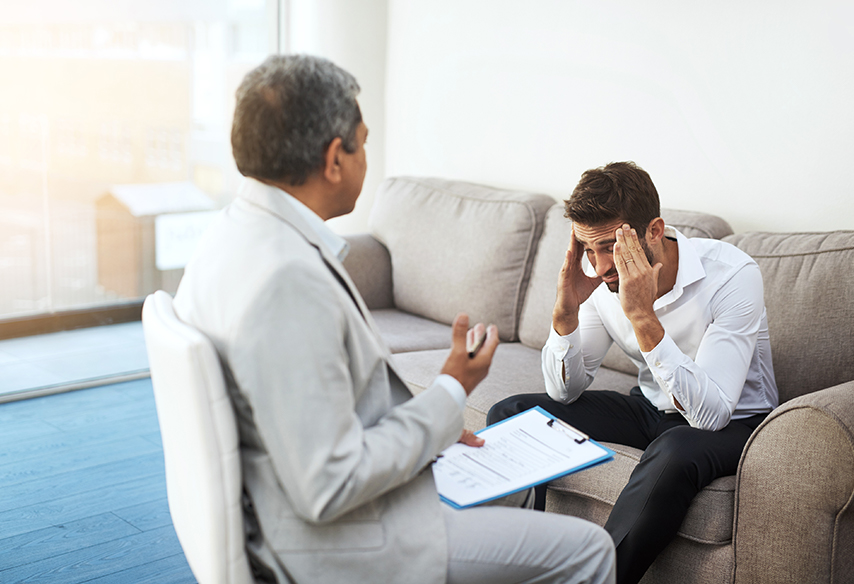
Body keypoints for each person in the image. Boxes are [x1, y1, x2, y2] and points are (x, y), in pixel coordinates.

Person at [173, 54, 615, 584]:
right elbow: (328, 484)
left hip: (287, 506)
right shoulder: (286, 281)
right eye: (364, 140)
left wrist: (434, 423)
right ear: (335, 158)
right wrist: (451, 392)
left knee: (517, 489)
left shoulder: (228, 237)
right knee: (589, 550)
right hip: (343, 542)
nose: (367, 158)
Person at [488, 161, 779, 584]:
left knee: (675, 449)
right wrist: (565, 314)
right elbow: (564, 393)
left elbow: (712, 414)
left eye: (610, 246)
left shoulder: (732, 275)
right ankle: (523, 564)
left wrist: (643, 315)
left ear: (654, 231)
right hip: (653, 409)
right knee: (512, 414)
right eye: (589, 250)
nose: (601, 266)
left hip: (737, 421)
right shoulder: (600, 281)